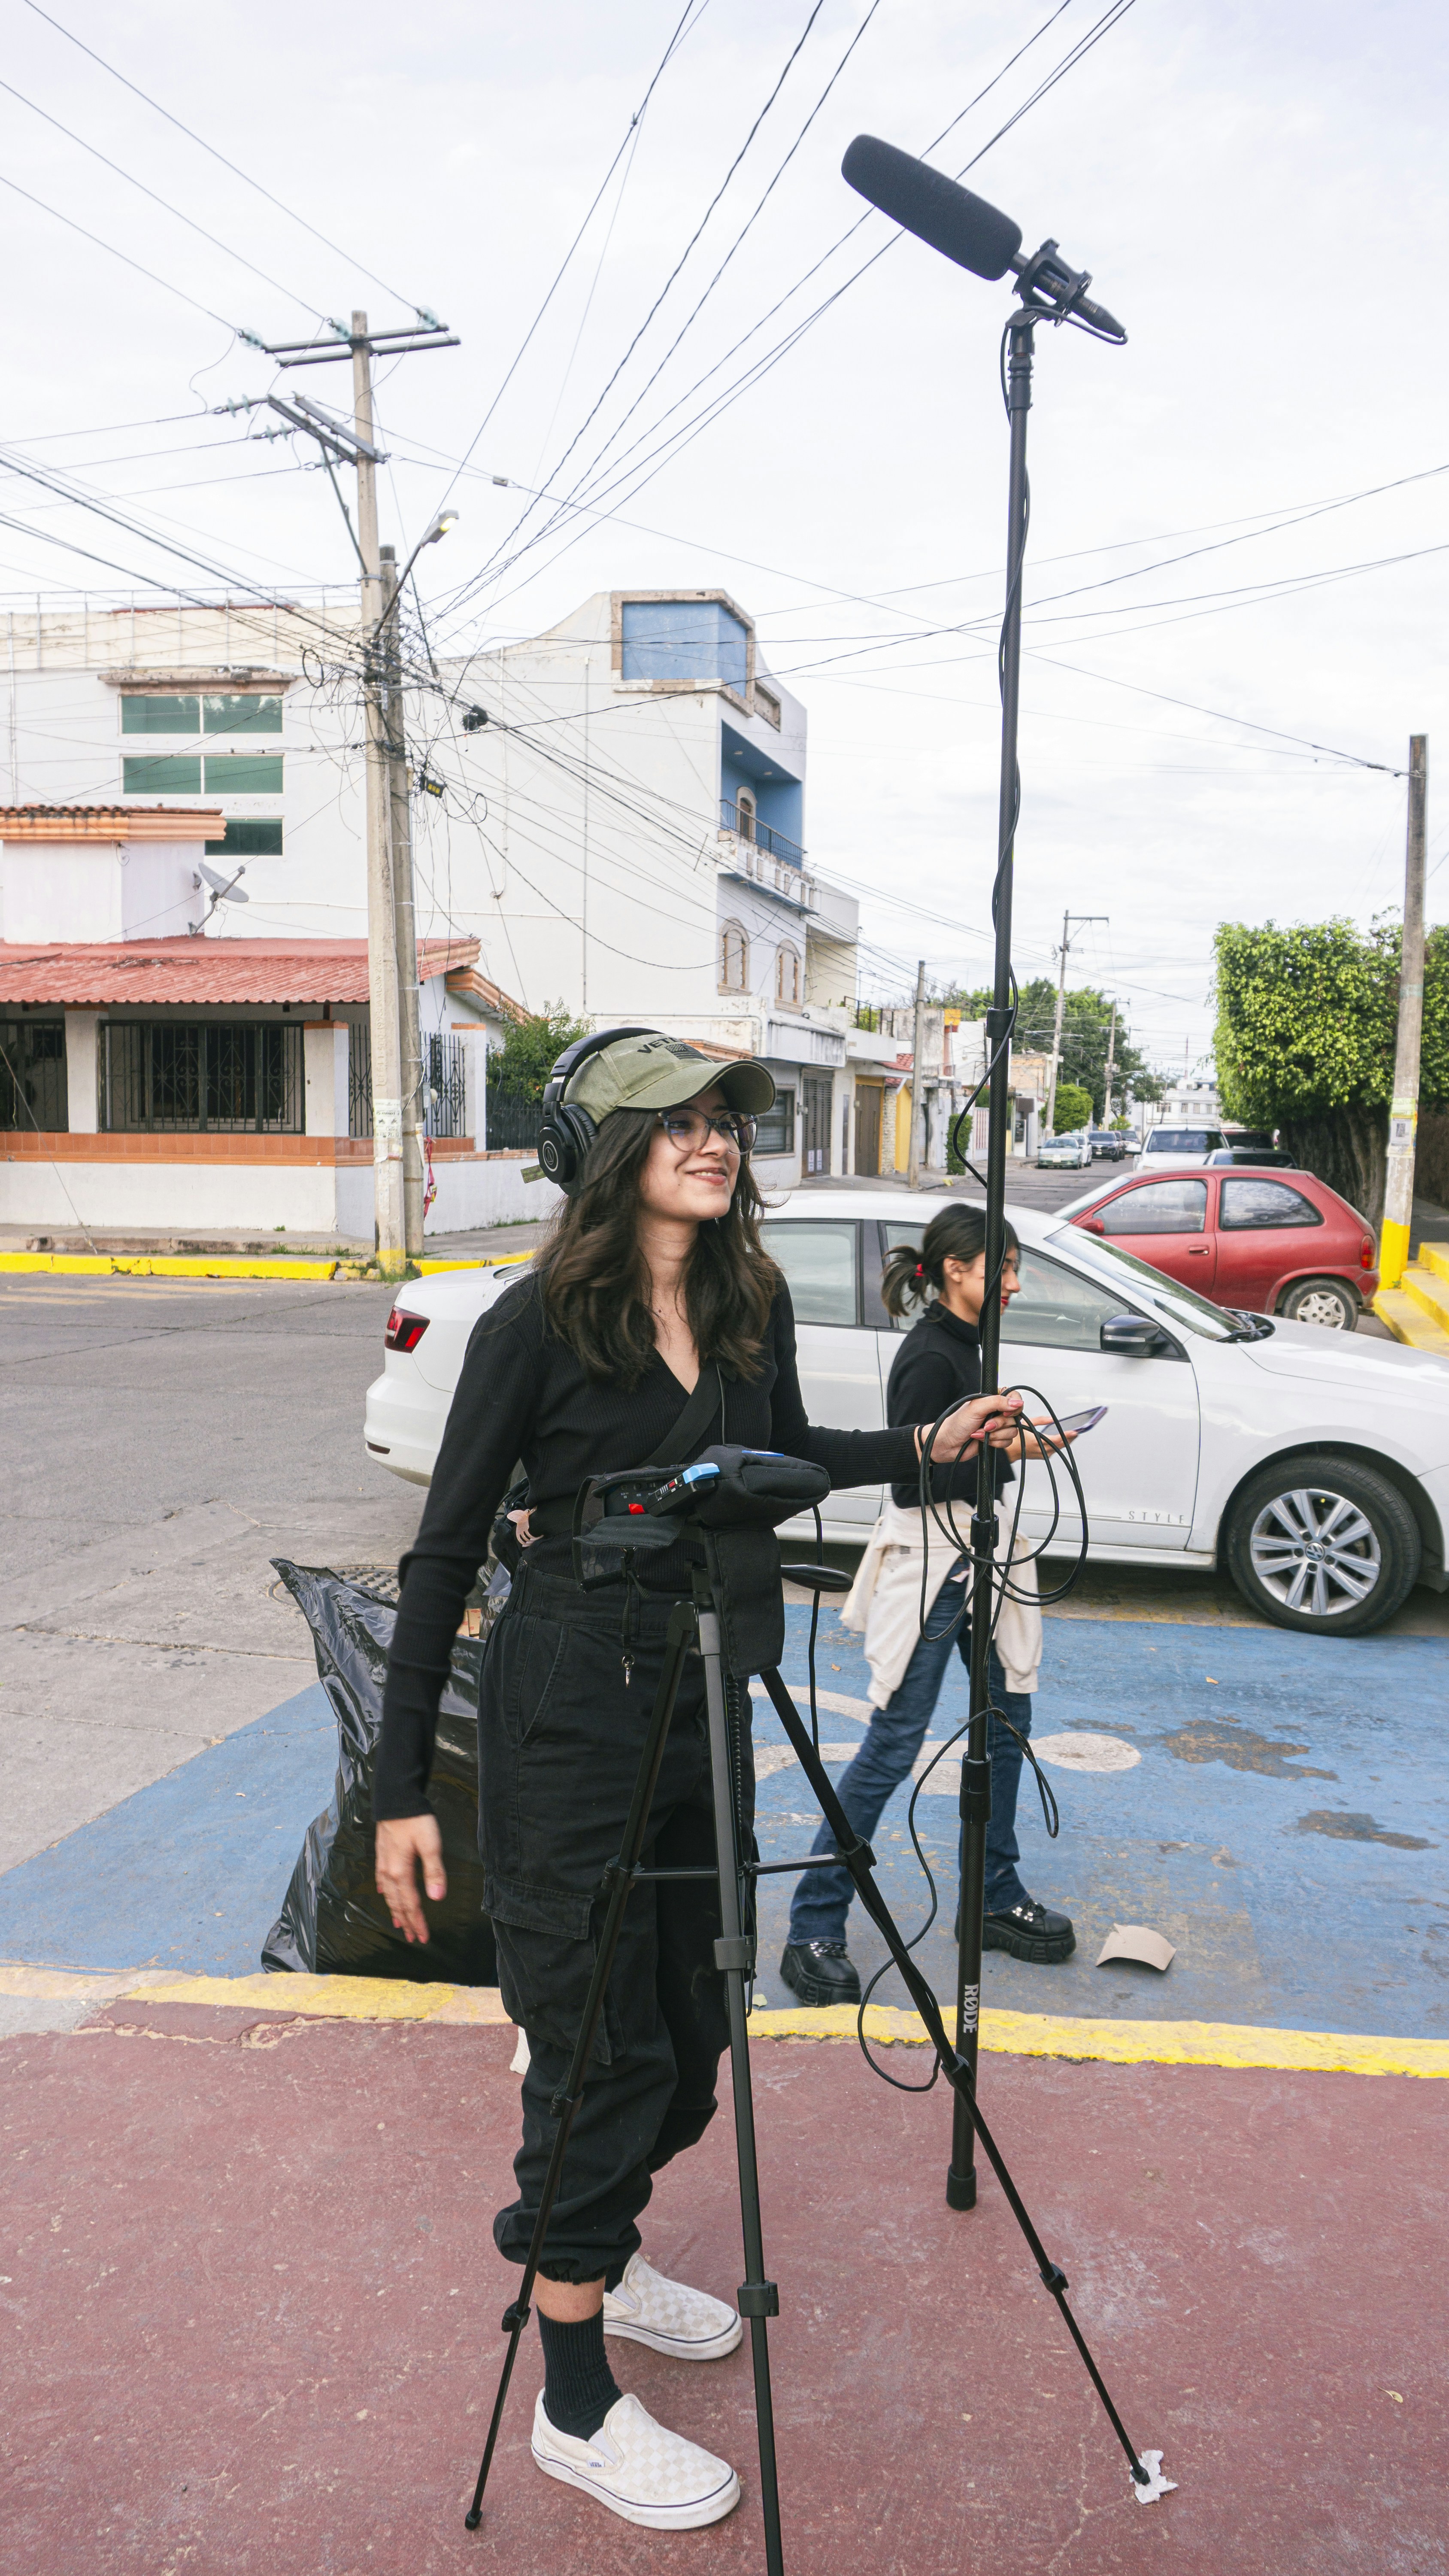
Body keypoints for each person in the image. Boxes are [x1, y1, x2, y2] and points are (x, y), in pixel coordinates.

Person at [372, 1030, 1022, 2535]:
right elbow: (442, 1551)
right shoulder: (531, 1326)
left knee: (685, 2019)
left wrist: (929, 1445)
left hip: (702, 1695)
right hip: (566, 1713)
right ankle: (574, 2399)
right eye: (677, 1122)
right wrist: (403, 1786)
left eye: (727, 1121)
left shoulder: (748, 1305)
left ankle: (609, 2244)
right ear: (608, 1149)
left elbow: (783, 1454)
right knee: (594, 2045)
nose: (716, 1141)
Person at [779, 1202, 1076, 2010]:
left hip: (989, 1553)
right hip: (938, 1563)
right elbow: (912, 1478)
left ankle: (994, 1893)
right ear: (954, 1271)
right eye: (1001, 1269)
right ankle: (814, 1921)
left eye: (1015, 1269)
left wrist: (1014, 1444)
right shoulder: (930, 1355)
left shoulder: (977, 1346)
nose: (1013, 1284)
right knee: (893, 1744)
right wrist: (1009, 1444)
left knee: (1006, 1725)